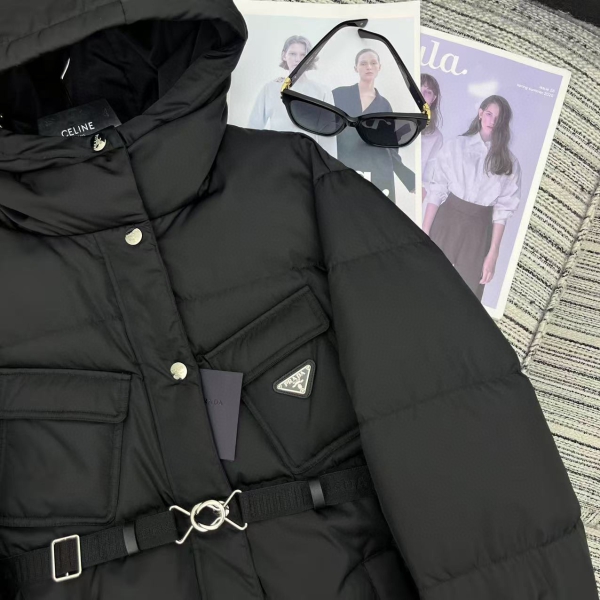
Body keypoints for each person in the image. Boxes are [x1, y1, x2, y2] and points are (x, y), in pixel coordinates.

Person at [422, 95, 522, 301]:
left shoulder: (510, 163)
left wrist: (493, 254)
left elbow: (502, 211)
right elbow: (437, 189)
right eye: (489, 114)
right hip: (447, 221)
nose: (492, 121)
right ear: (480, 113)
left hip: (479, 229)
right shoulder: (456, 146)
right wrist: (423, 232)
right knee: (426, 282)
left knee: (465, 295)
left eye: (498, 118)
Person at [332, 48, 415, 203]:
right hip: (342, 166)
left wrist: (409, 179)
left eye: (373, 63)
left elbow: (390, 146)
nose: (368, 67)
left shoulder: (384, 105)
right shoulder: (338, 94)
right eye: (363, 63)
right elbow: (324, 127)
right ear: (356, 68)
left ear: (379, 67)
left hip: (374, 171)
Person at [248, 34, 337, 158]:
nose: (297, 59)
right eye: (292, 54)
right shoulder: (270, 88)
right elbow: (254, 127)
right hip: (277, 157)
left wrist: (329, 166)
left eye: (303, 55)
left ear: (310, 58)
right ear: (284, 55)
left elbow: (328, 137)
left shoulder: (322, 92)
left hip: (308, 158)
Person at [420, 73, 444, 201]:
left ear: (433, 99)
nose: (422, 95)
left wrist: (422, 189)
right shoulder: (392, 119)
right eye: (418, 88)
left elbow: (428, 176)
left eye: (428, 92)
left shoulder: (436, 137)